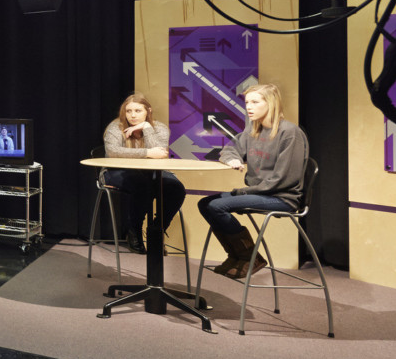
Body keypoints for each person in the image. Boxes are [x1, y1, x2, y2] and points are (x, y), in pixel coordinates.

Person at [198, 84, 309, 279]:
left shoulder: (290, 133)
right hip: (259, 193)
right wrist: (232, 158)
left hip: (281, 197)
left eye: (255, 102)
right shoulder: (253, 129)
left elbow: (282, 180)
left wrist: (243, 192)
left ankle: (249, 257)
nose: (249, 107)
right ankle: (238, 256)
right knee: (205, 203)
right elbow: (231, 148)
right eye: (247, 102)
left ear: (271, 103)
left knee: (217, 206)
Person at [101, 93, 186, 254]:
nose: (132, 115)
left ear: (148, 111)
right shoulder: (115, 127)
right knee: (142, 184)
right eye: (129, 111)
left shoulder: (158, 128)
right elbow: (112, 152)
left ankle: (157, 230)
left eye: (138, 111)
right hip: (116, 171)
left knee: (176, 187)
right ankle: (134, 230)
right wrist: (147, 152)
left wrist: (147, 128)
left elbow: (159, 154)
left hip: (152, 172)